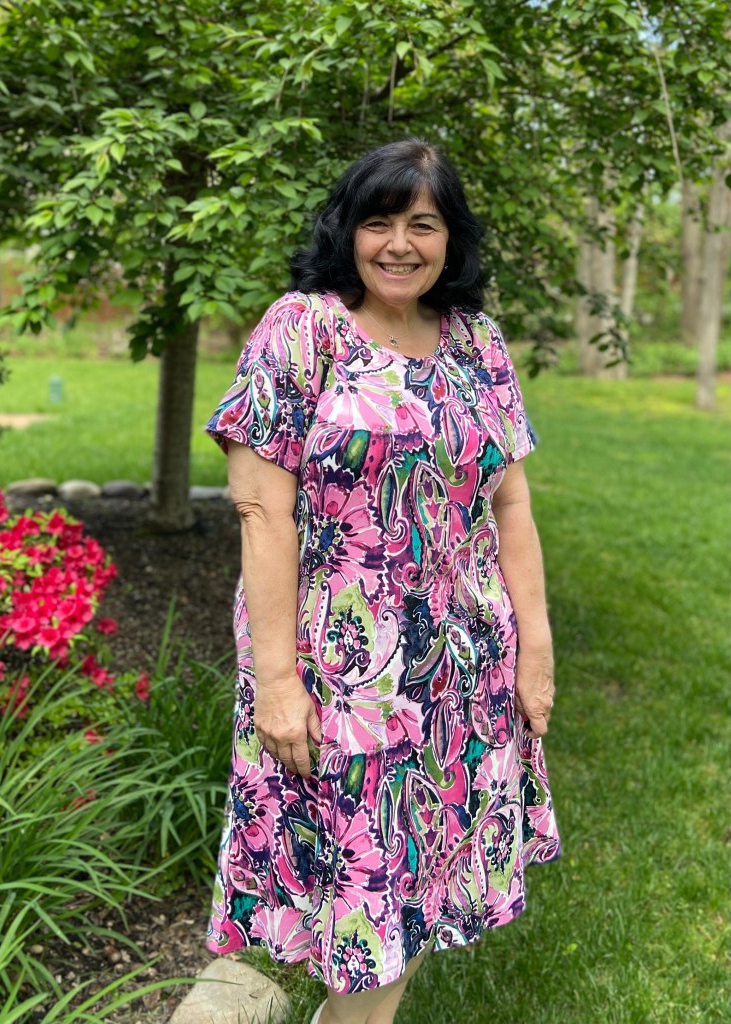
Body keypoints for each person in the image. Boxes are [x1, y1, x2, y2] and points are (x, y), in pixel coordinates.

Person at [204, 138, 560, 1024]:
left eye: (423, 224)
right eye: (380, 222)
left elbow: (511, 501)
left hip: (462, 669)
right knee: (362, 906)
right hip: (343, 672)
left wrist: (536, 649)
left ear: (451, 238)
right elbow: (261, 513)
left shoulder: (476, 340)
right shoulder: (302, 329)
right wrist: (277, 682)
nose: (400, 244)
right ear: (348, 231)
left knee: (415, 887)